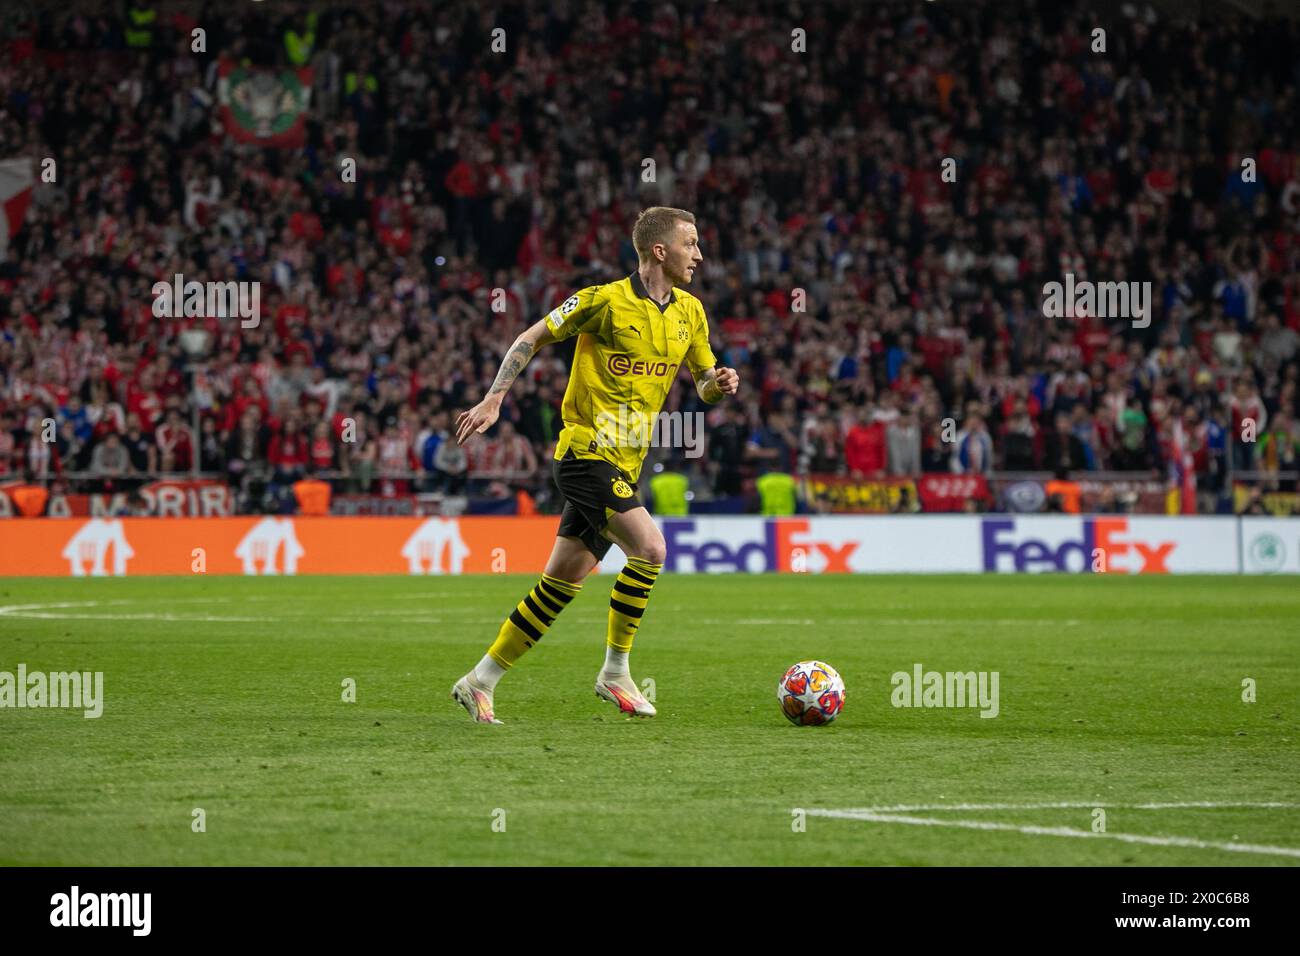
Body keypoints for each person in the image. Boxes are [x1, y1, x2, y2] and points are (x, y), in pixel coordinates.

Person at [449, 206, 739, 723]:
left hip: (626, 463)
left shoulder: (691, 312)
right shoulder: (602, 302)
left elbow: (703, 383)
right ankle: (615, 671)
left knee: (560, 584)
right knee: (650, 549)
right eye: (690, 243)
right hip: (584, 454)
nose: (698, 254)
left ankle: (479, 681)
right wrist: (494, 399)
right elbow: (529, 338)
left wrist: (717, 386)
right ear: (659, 251)